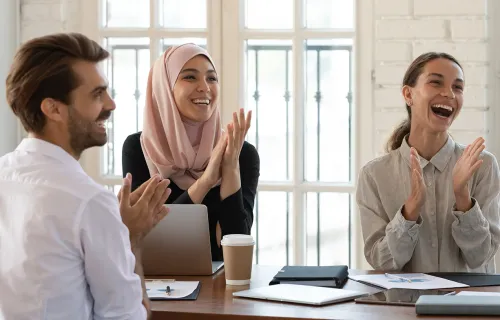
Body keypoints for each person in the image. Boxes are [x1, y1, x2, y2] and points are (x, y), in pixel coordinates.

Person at [0, 32, 171, 319]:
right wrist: (131, 236)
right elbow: (127, 315)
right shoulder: (89, 201)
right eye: (97, 94)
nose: (111, 104)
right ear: (53, 108)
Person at [356, 52, 500, 273]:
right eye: (436, 82)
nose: (449, 93)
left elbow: (480, 257)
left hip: (468, 306)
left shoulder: (483, 166)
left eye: (458, 87)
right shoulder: (374, 175)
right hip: (404, 306)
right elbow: (382, 263)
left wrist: (463, 197)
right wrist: (409, 212)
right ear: (408, 94)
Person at [122, 43, 260, 261]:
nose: (204, 87)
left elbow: (236, 250)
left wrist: (230, 167)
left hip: (219, 290)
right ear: (165, 87)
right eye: (190, 77)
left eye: (212, 78)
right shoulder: (140, 148)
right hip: (157, 286)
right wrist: (205, 181)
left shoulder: (242, 153)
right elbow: (153, 238)